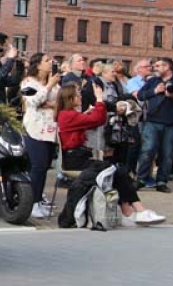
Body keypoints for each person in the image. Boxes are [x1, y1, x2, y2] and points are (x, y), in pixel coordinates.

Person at [56, 83, 165, 225]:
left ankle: (131, 211)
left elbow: (91, 120)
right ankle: (135, 211)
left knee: (119, 171)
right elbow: (98, 119)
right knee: (118, 171)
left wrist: (88, 113)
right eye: (77, 95)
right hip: (75, 161)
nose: (80, 97)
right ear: (70, 98)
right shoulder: (67, 115)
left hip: (79, 157)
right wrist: (99, 99)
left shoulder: (67, 115)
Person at [136, 57, 173, 192]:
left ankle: (161, 181)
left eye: (158, 66)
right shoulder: (153, 81)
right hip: (152, 121)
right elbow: (140, 95)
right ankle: (141, 179)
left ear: (167, 67)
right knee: (148, 150)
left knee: (167, 153)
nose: (154, 68)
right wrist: (154, 91)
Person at [21, 53, 62, 218]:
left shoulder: (54, 82)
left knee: (44, 166)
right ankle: (31, 203)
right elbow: (33, 101)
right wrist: (49, 85)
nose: (51, 62)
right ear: (38, 65)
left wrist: (50, 101)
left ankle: (38, 200)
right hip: (35, 129)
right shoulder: (27, 82)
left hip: (51, 130)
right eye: (47, 60)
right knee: (37, 166)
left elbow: (59, 102)